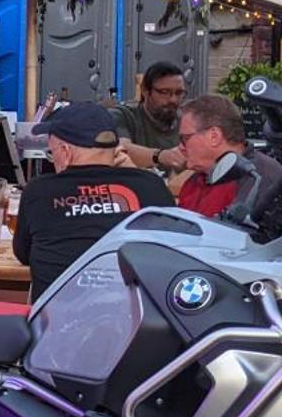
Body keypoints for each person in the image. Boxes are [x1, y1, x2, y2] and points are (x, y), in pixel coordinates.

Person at [12, 103, 173, 298]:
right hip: (136, 320)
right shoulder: (153, 186)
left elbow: (23, 253)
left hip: (59, 321)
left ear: (65, 151)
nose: (52, 161)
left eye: (51, 153)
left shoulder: (39, 191)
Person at [174, 94, 282, 222]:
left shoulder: (257, 176)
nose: (180, 147)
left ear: (214, 136)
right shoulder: (196, 180)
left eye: (185, 139)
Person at [115, 62, 189, 173]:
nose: (173, 100)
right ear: (145, 91)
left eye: (179, 93)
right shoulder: (123, 115)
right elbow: (121, 150)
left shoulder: (188, 121)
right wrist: (161, 156)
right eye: (164, 92)